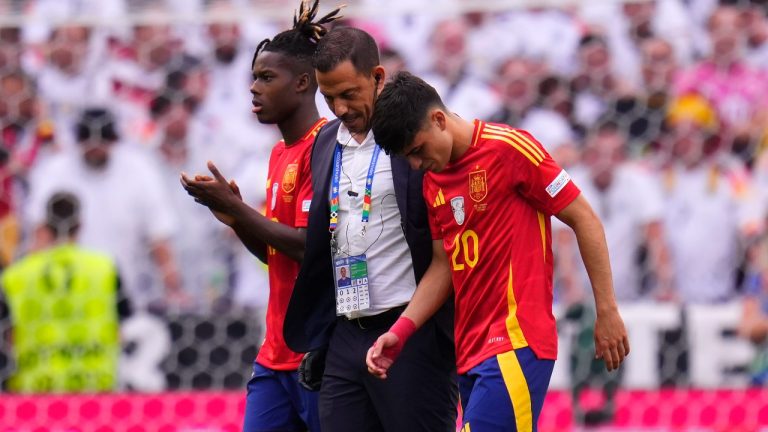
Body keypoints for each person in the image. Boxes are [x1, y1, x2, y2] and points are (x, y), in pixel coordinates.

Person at [365, 72, 629, 431]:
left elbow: (584, 218)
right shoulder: (433, 181)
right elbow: (444, 266)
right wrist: (401, 330)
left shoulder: (509, 148)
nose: (415, 164)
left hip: (515, 341)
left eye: (417, 151)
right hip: (470, 352)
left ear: (438, 119)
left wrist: (607, 310)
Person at [283, 27, 458, 432]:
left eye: (348, 93)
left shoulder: (417, 140)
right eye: (328, 98)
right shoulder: (325, 143)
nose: (339, 108)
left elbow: (443, 250)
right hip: (346, 335)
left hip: (409, 334)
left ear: (378, 77)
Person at [180, 2, 341, 431]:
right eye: (254, 77)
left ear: (303, 83)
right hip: (273, 355)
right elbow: (277, 255)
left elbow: (312, 250)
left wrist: (240, 210)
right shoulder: (277, 154)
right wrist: (236, 219)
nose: (254, 88)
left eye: (267, 78)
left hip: (316, 355)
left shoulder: (327, 146)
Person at [1, 192, 129, 393]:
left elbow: (9, 336)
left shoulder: (17, 275)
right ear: (80, 225)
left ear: (44, 226)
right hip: (95, 387)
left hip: (35, 391)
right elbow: (121, 331)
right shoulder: (105, 268)